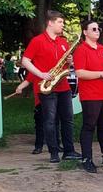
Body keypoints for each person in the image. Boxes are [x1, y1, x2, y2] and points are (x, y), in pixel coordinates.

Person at [21, 10, 80, 163]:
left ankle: (69, 151)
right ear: (51, 23)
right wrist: (40, 74)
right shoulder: (37, 41)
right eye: (60, 22)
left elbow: (66, 65)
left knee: (67, 119)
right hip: (46, 86)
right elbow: (25, 61)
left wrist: (70, 62)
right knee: (49, 120)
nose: (63, 25)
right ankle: (53, 152)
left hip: (63, 86)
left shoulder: (63, 42)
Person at [73, 19, 103, 173]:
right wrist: (102, 74)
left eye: (98, 29)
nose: (97, 31)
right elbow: (80, 73)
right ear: (85, 32)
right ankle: (86, 159)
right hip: (91, 94)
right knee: (89, 126)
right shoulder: (81, 50)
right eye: (93, 29)